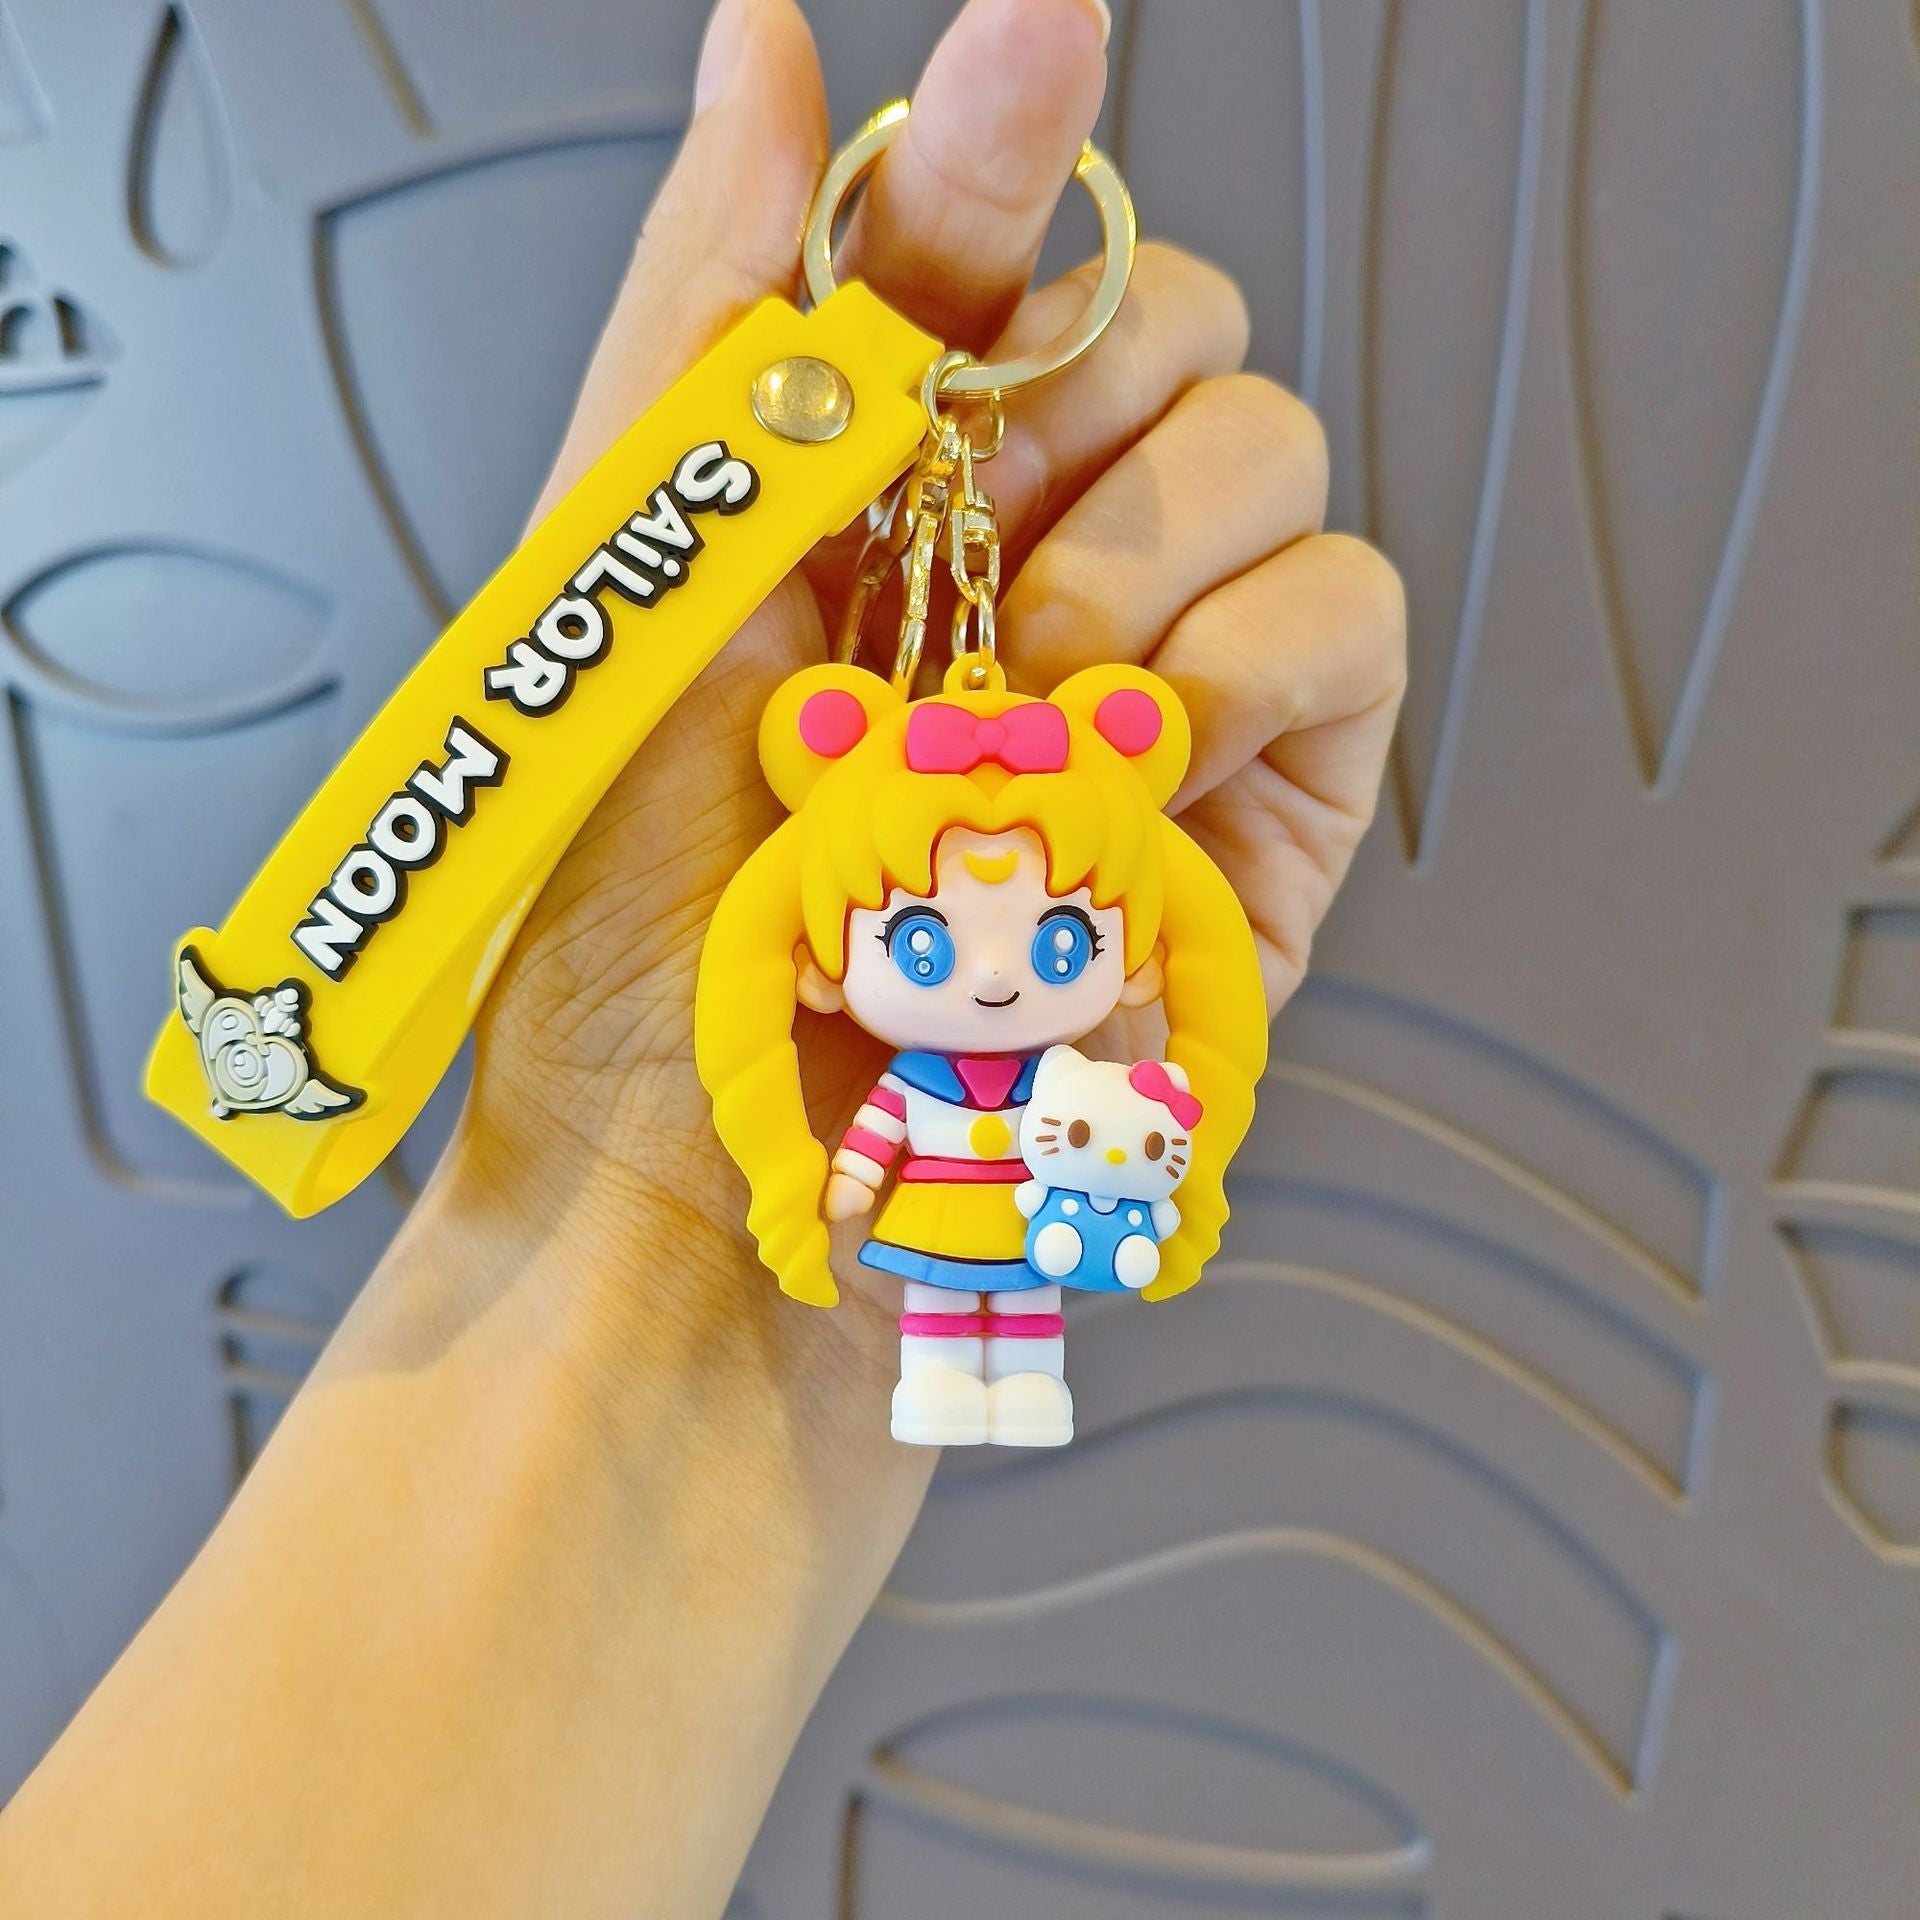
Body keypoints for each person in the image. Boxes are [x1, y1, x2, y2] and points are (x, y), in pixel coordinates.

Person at [0, 0, 1405, 1912]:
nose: (1002, 974)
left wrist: (1153, 1149)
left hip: (989, 1224)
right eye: (932, 933)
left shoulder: (1048, 1049)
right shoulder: (857, 1057)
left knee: (990, 1336)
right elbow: (825, 1136)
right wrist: (689, 1218)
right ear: (826, 954)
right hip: (924, 1207)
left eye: (1059, 933)